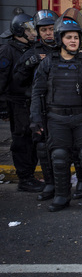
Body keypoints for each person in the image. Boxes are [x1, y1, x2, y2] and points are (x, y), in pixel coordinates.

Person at [30, 8, 82, 212]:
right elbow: (37, 93)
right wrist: (35, 118)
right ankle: (62, 197)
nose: (73, 41)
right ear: (60, 39)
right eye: (69, 37)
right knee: (60, 158)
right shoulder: (48, 63)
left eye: (76, 37)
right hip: (56, 119)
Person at [0, 12, 44, 192]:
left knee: (33, 139)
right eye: (30, 30)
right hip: (17, 103)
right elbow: (1, 80)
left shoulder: (32, 48)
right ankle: (24, 178)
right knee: (21, 141)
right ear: (20, 31)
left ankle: (30, 175)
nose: (34, 33)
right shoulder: (7, 50)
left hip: (31, 101)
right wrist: (2, 107)